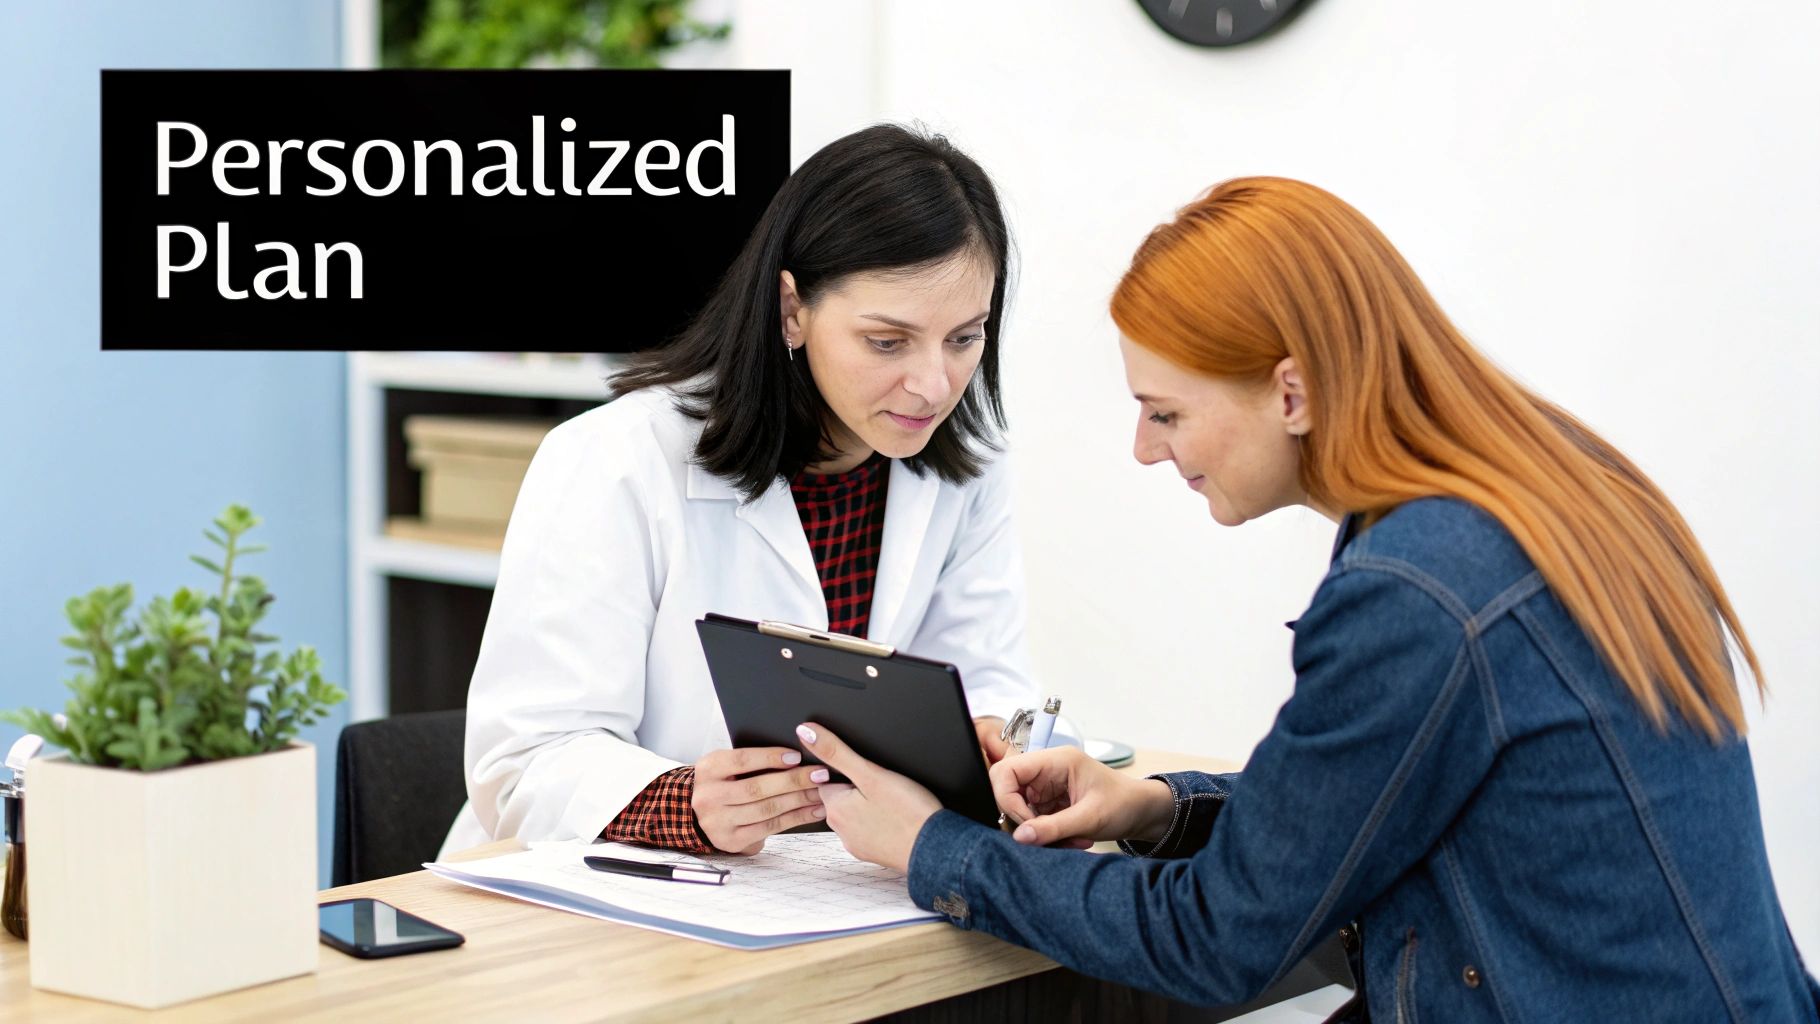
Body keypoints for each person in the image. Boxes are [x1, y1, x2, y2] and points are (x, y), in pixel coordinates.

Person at [800, 177, 1820, 1021]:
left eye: (1163, 411)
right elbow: (1402, 792)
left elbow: (1216, 939)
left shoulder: (1419, 586)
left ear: (1288, 392)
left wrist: (932, 844)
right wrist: (1156, 806)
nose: (1144, 449)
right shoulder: (1547, 488)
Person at [439, 124, 1038, 858]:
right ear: (792, 310)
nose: (933, 384)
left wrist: (991, 744)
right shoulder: (615, 459)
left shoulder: (964, 466)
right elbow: (525, 758)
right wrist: (686, 805)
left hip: (829, 892)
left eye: (964, 338)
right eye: (887, 342)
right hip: (597, 900)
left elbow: (985, 679)